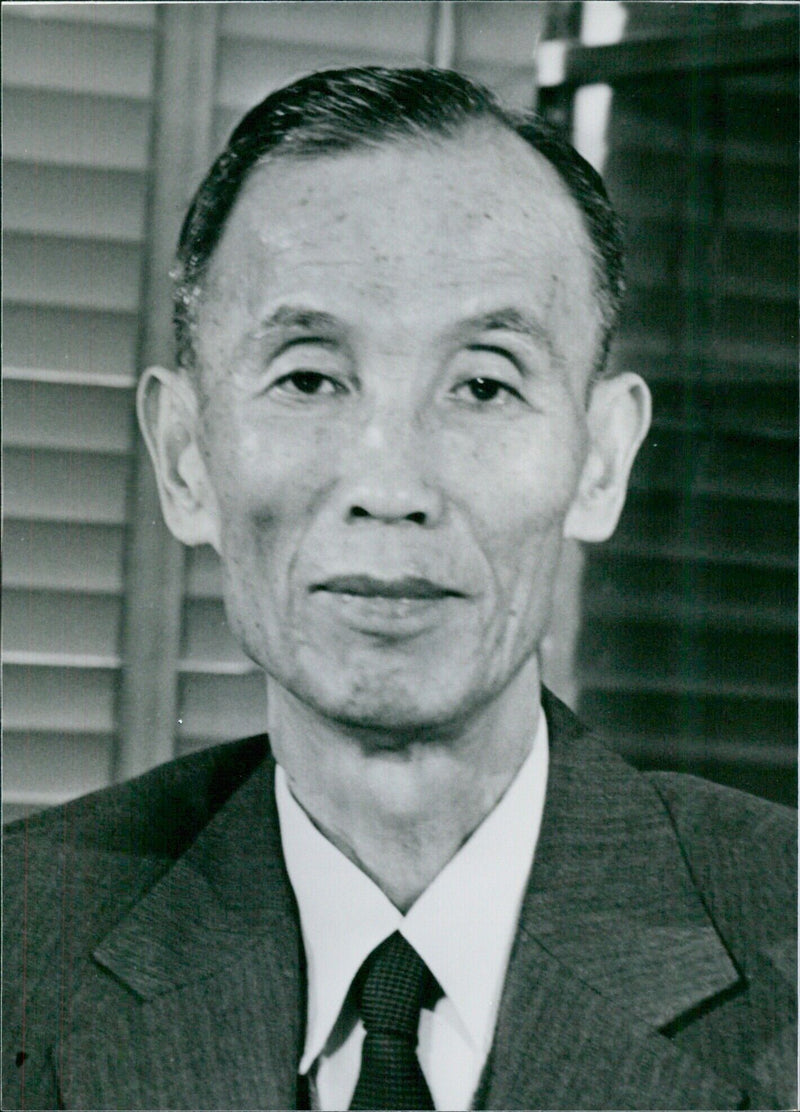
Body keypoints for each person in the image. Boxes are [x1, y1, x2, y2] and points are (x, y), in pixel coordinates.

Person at [3, 67, 795, 1112]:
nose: (390, 487)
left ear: (600, 460)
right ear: (186, 457)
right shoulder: (21, 944)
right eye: (307, 377)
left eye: (482, 383)